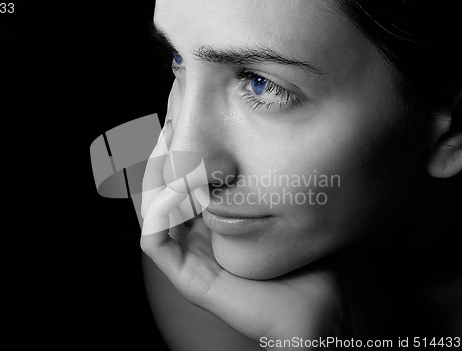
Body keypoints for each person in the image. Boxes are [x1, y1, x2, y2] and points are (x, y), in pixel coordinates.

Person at [139, 0, 462, 350]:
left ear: (451, 136)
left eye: (263, 85)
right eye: (177, 59)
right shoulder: (191, 253)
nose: (180, 169)